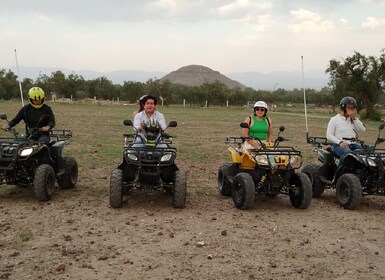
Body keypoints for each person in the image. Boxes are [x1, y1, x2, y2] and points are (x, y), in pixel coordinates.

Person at [326, 96, 365, 175]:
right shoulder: (334, 120)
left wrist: (354, 118)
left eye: (352, 108)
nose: (351, 110)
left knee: (365, 151)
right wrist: (339, 142)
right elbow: (329, 135)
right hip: (338, 145)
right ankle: (340, 174)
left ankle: (360, 172)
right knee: (347, 153)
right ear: (343, 108)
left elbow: (362, 129)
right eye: (349, 108)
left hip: (352, 144)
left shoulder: (353, 120)